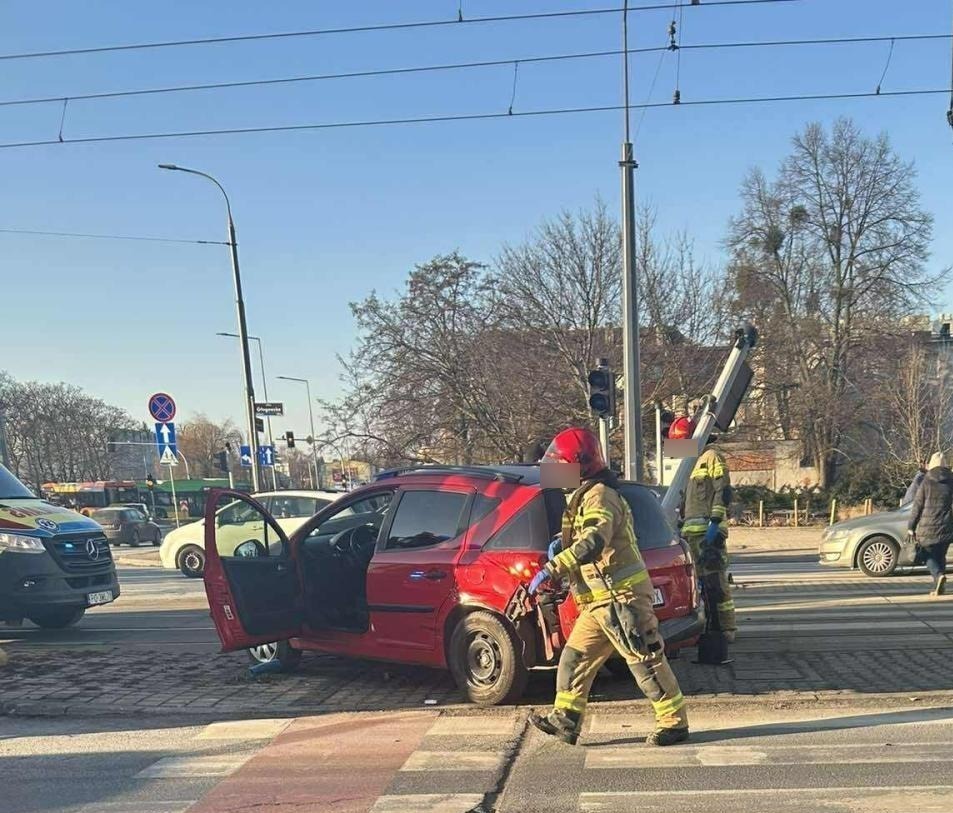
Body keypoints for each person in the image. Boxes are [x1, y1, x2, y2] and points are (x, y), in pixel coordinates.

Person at [527, 427, 689, 747]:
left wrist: (553, 567)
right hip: (602, 601)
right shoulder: (585, 496)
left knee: (644, 661)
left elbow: (594, 542)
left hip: (622, 596)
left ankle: (674, 722)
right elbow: (589, 536)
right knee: (574, 658)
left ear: (580, 465)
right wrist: (564, 542)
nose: (554, 473)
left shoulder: (601, 495)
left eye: (559, 465)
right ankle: (566, 719)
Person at [681, 430, 736, 642]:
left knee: (716, 580)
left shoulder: (711, 458)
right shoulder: (690, 464)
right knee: (700, 583)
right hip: (692, 534)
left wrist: (715, 522)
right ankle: (709, 627)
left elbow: (723, 491)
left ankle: (726, 628)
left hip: (708, 532)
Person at [908, 451, 953, 597]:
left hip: (928, 525)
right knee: (940, 556)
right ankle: (938, 587)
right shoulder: (951, 481)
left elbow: (917, 506)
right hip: (946, 525)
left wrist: (911, 527)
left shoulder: (926, 481)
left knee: (926, 554)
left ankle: (938, 576)